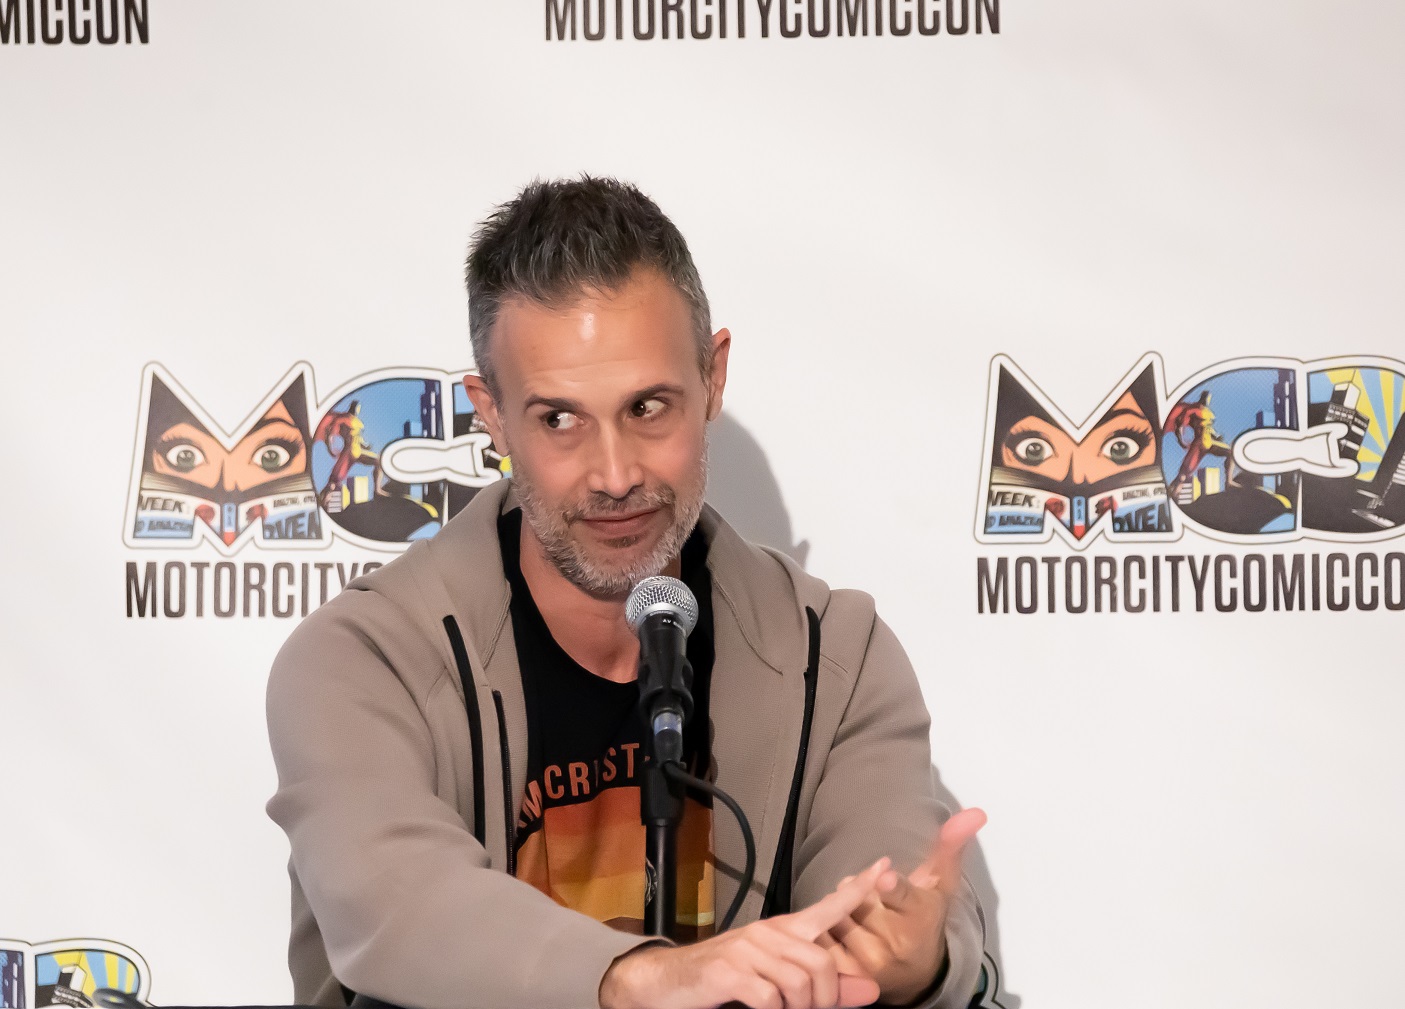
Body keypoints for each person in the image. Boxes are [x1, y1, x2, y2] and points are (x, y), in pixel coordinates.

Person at [265, 177, 987, 1009]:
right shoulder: (361, 660)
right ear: (491, 415)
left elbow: (887, 894)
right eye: (559, 420)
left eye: (647, 407)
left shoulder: (836, 653)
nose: (614, 475)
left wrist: (912, 958)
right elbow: (394, 901)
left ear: (712, 376)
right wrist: (642, 975)